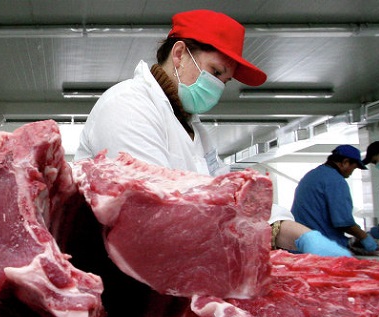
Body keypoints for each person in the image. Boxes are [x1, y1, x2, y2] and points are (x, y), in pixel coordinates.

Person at [75, 9, 350, 258]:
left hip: (171, 268)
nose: (218, 88)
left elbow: (231, 195)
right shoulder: (128, 104)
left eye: (224, 81)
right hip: (116, 274)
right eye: (215, 72)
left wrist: (295, 233)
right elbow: (152, 211)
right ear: (179, 55)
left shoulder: (194, 130)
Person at [291, 145, 379, 254]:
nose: (351, 172)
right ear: (345, 162)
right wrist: (365, 238)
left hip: (301, 246)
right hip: (324, 248)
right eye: (354, 168)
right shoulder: (336, 181)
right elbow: (344, 223)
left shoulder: (311, 176)